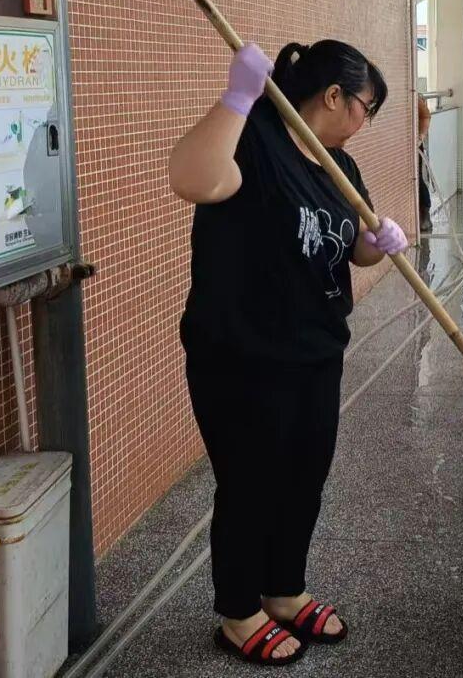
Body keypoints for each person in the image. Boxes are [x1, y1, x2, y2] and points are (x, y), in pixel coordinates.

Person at [168, 40, 408, 666]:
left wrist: (378, 243)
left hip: (315, 350)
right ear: (334, 96)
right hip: (242, 353)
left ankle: (283, 589)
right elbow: (192, 178)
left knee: (303, 477)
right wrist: (235, 97)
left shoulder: (338, 165)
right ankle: (238, 611)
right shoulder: (256, 136)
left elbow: (350, 247)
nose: (365, 121)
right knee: (250, 482)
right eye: (367, 108)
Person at [417, 93, 432, 232]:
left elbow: (426, 116)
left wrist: (421, 136)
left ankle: (425, 214)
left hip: (415, 144)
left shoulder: (414, 98)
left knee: (417, 178)